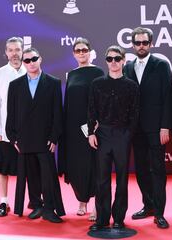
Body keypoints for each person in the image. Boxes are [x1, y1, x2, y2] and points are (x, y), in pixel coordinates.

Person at [6, 47, 65, 223]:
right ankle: (37, 205)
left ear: (40, 59)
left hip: (45, 139)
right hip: (24, 139)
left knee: (48, 176)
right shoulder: (15, 86)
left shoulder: (53, 82)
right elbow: (11, 114)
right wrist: (13, 137)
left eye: (34, 59)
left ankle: (49, 208)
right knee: (31, 175)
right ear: (23, 63)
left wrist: (54, 137)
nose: (31, 63)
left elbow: (57, 113)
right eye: (27, 60)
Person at [123, 27, 172, 228]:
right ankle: (148, 205)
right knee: (142, 169)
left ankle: (159, 212)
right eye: (137, 43)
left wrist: (165, 126)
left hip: (156, 128)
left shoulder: (161, 65)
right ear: (133, 45)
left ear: (151, 44)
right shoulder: (127, 67)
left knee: (158, 169)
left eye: (145, 42)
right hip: (135, 129)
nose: (141, 46)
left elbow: (168, 97)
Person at [88, 45, 139, 230]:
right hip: (102, 135)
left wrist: (128, 135)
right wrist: (91, 133)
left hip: (122, 135)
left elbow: (135, 114)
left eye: (117, 58)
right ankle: (102, 219)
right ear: (106, 61)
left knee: (122, 180)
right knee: (101, 180)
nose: (114, 62)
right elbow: (91, 110)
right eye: (110, 59)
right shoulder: (97, 84)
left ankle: (118, 218)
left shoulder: (132, 86)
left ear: (124, 60)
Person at [58, 38, 104, 221]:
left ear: (90, 51)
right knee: (77, 166)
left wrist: (98, 122)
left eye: (84, 49)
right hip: (73, 128)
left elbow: (101, 99)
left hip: (92, 127)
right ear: (74, 54)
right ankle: (82, 201)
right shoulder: (71, 74)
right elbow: (68, 102)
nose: (81, 53)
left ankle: (96, 205)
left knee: (94, 165)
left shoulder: (98, 72)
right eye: (78, 50)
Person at [0, 37, 26, 217]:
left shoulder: (31, 70)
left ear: (23, 50)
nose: (14, 53)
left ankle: (33, 201)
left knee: (30, 169)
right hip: (5, 130)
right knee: (3, 168)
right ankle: (4, 202)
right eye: (10, 50)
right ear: (6, 53)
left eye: (17, 49)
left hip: (28, 132)